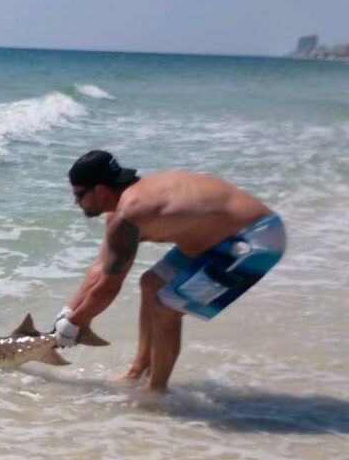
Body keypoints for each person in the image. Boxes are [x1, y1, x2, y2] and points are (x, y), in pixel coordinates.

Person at [51, 150, 286, 391]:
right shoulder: (122, 206)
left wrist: (75, 324)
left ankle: (156, 392)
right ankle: (137, 371)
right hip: (217, 237)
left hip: (257, 240)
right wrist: (68, 314)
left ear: (100, 190)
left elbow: (109, 286)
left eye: (78, 194)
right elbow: (100, 268)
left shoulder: (129, 216)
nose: (75, 202)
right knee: (152, 283)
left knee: (165, 307)